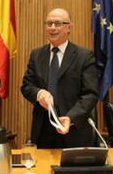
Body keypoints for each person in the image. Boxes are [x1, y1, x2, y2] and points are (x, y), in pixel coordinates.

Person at [21, 8, 98, 148]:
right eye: (49, 23)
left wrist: (71, 118)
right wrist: (38, 93)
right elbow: (26, 86)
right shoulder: (36, 55)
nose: (52, 28)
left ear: (69, 27)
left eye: (57, 23)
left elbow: (90, 94)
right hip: (43, 130)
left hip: (74, 131)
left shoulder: (84, 56)